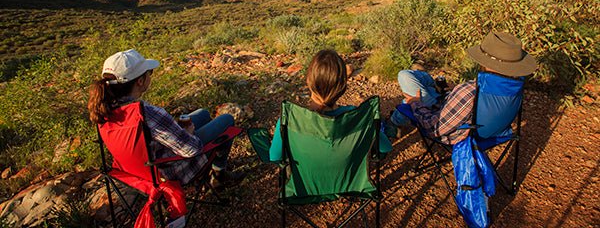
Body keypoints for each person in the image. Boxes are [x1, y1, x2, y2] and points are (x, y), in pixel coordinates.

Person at [88, 49, 244, 188]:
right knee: (227, 120)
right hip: (170, 172)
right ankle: (218, 176)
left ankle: (214, 168)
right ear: (140, 81)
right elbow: (192, 149)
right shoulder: (147, 113)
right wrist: (188, 133)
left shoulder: (104, 109)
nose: (150, 75)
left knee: (202, 114)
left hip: (138, 171)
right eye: (149, 73)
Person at [388, 31, 537, 145]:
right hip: (493, 132)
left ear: (485, 62)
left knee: (405, 81)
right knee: (424, 83)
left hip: (451, 125)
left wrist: (415, 103)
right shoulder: (514, 88)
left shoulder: (470, 91)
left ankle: (392, 124)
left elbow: (435, 127)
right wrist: (452, 92)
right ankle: (431, 86)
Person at [269, 49, 392, 161]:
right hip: (348, 183)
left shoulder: (291, 117)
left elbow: (275, 156)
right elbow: (385, 147)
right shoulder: (357, 116)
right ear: (342, 87)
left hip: (304, 184)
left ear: (308, 80)